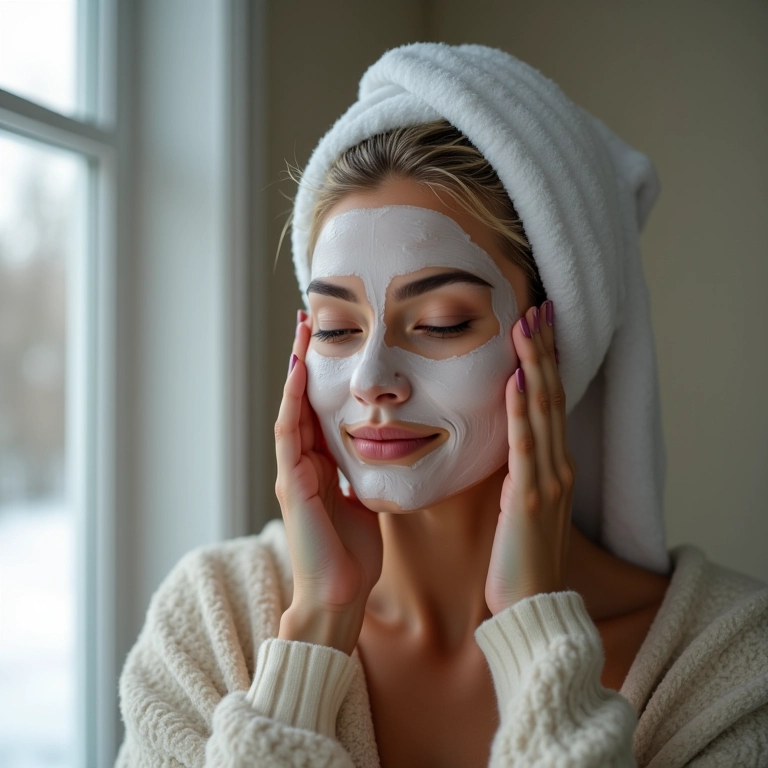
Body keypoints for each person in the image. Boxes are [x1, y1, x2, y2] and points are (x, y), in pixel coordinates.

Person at [115, 44, 768, 767]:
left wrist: (536, 631)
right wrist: (317, 630)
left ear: (559, 340)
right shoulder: (210, 625)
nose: (371, 379)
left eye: (442, 322)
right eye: (334, 328)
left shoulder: (727, 667)